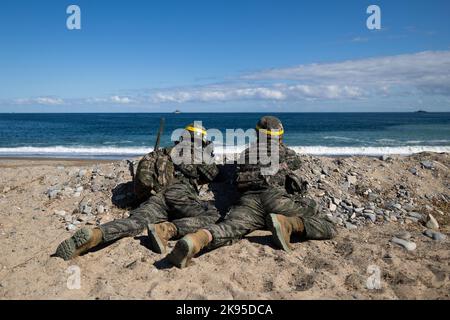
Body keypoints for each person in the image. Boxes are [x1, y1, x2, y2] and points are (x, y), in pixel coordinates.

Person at [167, 116, 336, 268]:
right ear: (280, 135)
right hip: (275, 198)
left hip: (247, 202)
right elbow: (296, 163)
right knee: (327, 223)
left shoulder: (246, 154)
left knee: (229, 227)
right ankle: (289, 224)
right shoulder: (284, 152)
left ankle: (197, 240)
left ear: (257, 134)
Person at [55, 122, 221, 260]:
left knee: (135, 223)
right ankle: (166, 229)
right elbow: (213, 174)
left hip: (156, 196)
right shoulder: (197, 153)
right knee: (216, 215)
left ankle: (96, 234)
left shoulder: (164, 152)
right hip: (180, 195)